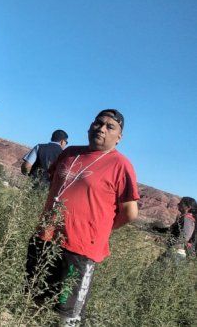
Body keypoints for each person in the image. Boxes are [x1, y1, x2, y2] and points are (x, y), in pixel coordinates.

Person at [25, 109, 139, 326]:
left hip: (80, 248)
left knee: (68, 313)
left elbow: (130, 213)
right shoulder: (69, 153)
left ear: (119, 137)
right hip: (45, 236)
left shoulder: (120, 165)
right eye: (98, 123)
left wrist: (101, 228)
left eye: (110, 127)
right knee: (34, 296)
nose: (101, 129)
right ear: (90, 126)